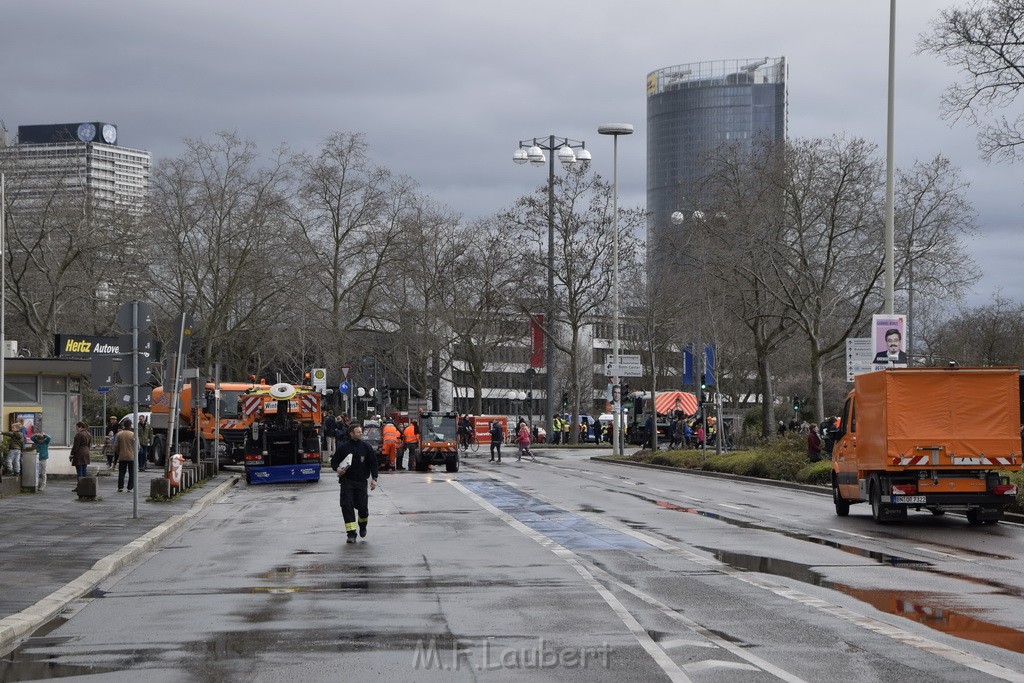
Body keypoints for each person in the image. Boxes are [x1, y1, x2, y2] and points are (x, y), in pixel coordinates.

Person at [330, 424, 379, 544]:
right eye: (358, 432)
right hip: (347, 482)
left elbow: (373, 463)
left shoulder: (366, 447)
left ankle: (362, 525)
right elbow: (334, 461)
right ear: (351, 433)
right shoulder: (343, 447)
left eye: (361, 432)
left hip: (361, 482)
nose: (361, 434)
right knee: (347, 507)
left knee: (363, 509)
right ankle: (351, 534)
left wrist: (374, 479)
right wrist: (337, 469)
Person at [114, 419, 137, 492]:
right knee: (132, 473)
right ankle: (130, 488)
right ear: (130, 425)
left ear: (124, 425)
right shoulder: (133, 434)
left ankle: (120, 487)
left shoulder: (119, 434)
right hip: (131, 456)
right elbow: (137, 446)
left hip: (122, 456)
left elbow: (116, 446)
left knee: (121, 472)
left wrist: (119, 452)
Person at [70, 421, 92, 488]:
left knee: (79, 470)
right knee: (84, 469)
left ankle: (80, 486)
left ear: (80, 427)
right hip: (86, 453)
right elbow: (89, 445)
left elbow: (76, 446)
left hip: (79, 454)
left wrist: (72, 454)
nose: (76, 429)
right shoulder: (88, 434)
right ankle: (85, 486)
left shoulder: (79, 435)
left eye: (77, 427)